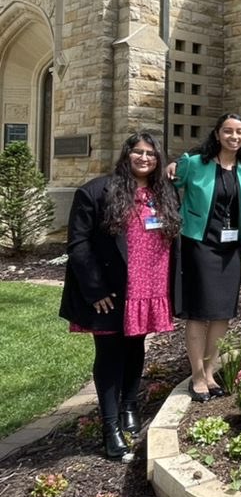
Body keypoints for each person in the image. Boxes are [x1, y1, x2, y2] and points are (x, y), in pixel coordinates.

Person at [59, 132, 181, 460]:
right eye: (138, 152)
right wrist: (94, 289)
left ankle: (129, 406)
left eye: (151, 154)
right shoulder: (96, 191)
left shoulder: (163, 192)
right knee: (110, 355)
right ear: (126, 154)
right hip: (111, 292)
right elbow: (78, 244)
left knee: (136, 348)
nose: (144, 158)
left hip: (148, 290)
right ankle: (110, 426)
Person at [173, 113, 241, 402]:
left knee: (222, 314)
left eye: (240, 132)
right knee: (198, 312)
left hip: (230, 249)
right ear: (217, 134)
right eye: (228, 131)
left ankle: (209, 371)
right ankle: (195, 375)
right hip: (199, 245)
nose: (234, 136)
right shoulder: (194, 164)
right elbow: (168, 184)